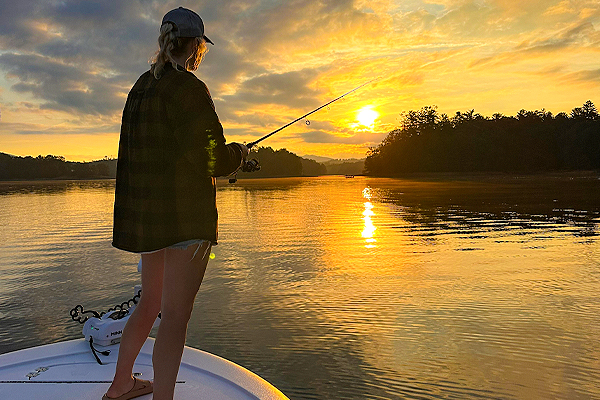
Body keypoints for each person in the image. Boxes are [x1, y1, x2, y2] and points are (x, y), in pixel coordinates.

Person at [104, 7, 249, 400]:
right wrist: (239, 153)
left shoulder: (140, 86)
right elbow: (211, 159)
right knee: (175, 317)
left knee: (150, 303)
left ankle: (120, 385)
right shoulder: (188, 88)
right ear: (195, 46)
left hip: (150, 224)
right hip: (185, 222)